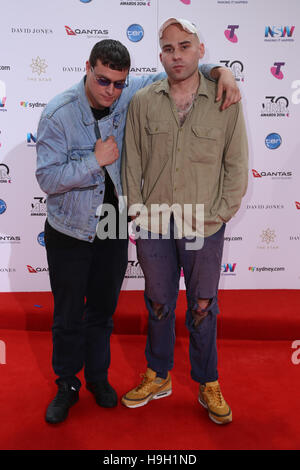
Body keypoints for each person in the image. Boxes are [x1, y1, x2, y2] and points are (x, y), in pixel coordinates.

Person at [36, 38, 240, 424]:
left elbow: (179, 70)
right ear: (87, 68)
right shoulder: (57, 114)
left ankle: (97, 379)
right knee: (67, 314)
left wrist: (221, 71)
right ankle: (67, 384)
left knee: (101, 312)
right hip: (70, 230)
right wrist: (92, 162)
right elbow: (47, 177)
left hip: (112, 226)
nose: (110, 90)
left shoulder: (130, 91)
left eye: (118, 83)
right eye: (102, 80)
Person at [121, 19, 248, 424]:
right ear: (160, 55)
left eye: (184, 46)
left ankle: (207, 380)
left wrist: (221, 212)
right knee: (158, 303)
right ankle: (158, 374)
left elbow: (237, 163)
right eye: (169, 48)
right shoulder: (143, 101)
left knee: (203, 306)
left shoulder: (225, 99)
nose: (177, 55)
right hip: (154, 223)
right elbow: (132, 163)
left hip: (204, 226)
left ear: (200, 49)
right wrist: (137, 214)